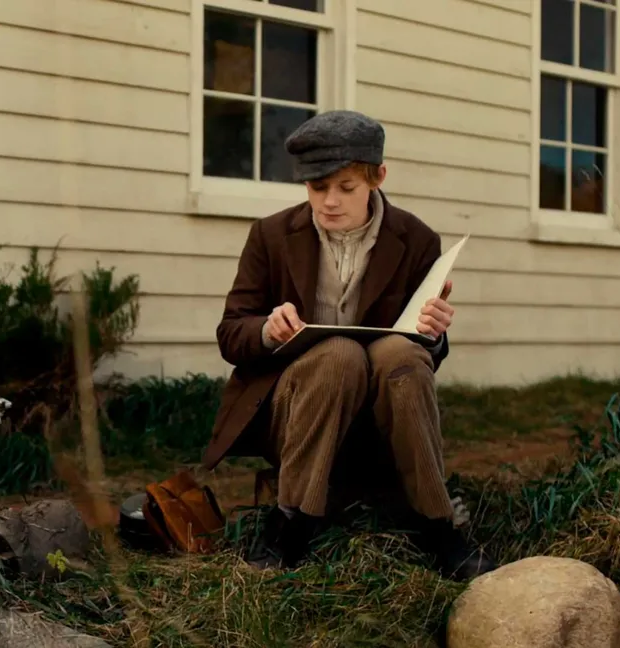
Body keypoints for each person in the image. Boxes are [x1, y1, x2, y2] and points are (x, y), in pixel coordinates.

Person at [200, 110, 497, 580]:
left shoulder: (417, 240)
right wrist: (267, 330)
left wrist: (434, 336)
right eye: (318, 187)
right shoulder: (271, 236)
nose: (330, 201)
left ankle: (437, 524)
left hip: (381, 418)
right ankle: (292, 522)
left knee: (402, 353)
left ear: (378, 177)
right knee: (338, 355)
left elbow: (426, 357)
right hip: (298, 411)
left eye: (345, 187)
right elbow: (231, 334)